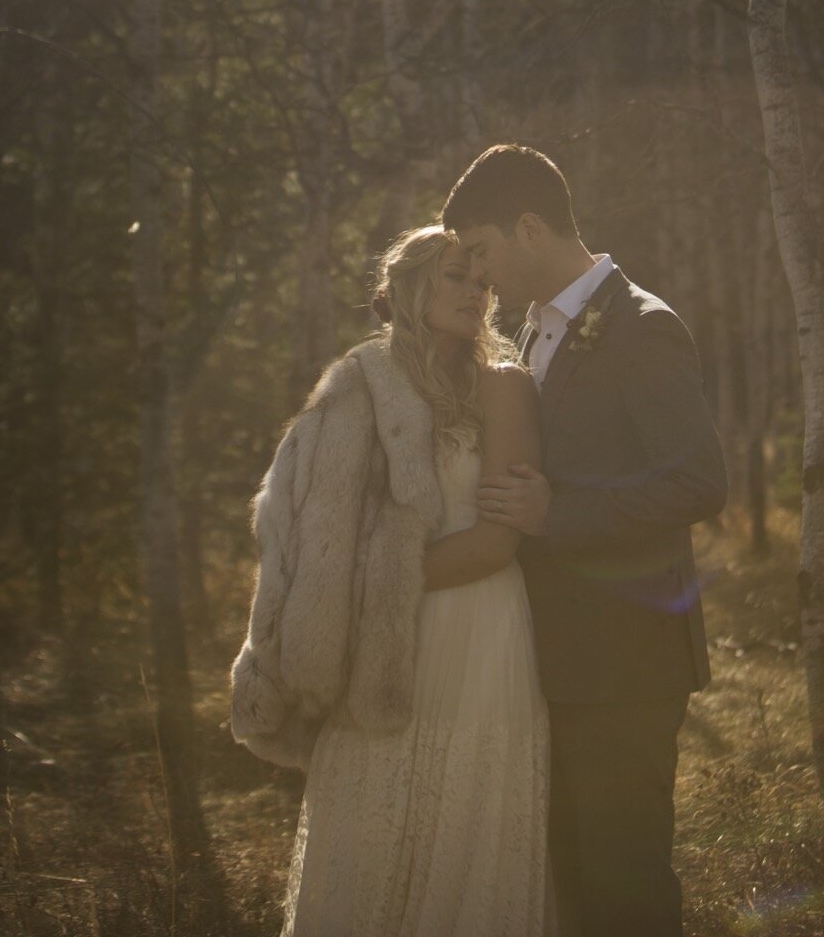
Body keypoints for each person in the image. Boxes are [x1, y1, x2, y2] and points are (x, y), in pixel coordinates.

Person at [230, 225, 553, 937]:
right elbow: (302, 534)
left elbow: (495, 544)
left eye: (482, 281)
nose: (474, 292)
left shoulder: (503, 386)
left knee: (466, 845)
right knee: (366, 841)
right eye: (454, 277)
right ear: (408, 289)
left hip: (477, 631)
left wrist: (360, 587)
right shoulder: (356, 386)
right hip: (374, 651)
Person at [445, 143, 728, 937]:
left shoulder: (641, 327)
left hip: (622, 659)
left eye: (482, 251)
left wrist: (554, 515)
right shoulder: (533, 332)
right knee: (567, 881)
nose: (479, 274)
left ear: (528, 228)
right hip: (552, 656)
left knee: (622, 882)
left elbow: (698, 483)